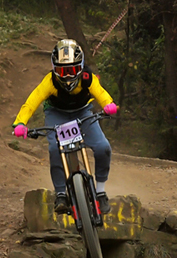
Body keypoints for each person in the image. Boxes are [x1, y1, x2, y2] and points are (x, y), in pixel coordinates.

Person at [12, 38, 118, 215]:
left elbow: (100, 92)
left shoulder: (87, 78)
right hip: (56, 114)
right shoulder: (50, 81)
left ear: (81, 66)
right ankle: (61, 193)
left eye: (73, 70)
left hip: (83, 113)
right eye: (63, 71)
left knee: (103, 147)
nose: (68, 76)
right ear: (54, 69)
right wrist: (20, 122)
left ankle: (100, 191)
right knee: (55, 149)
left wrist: (109, 104)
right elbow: (32, 101)